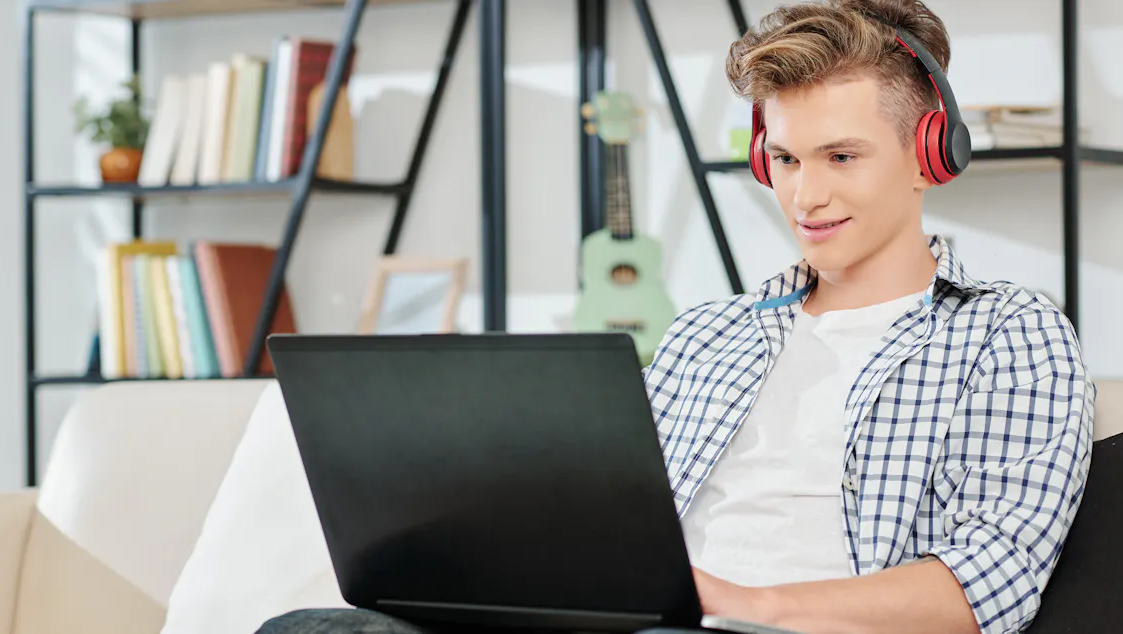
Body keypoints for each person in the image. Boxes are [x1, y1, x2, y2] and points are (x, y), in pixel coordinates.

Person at [258, 1, 1095, 633]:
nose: (805, 195)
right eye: (784, 158)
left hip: (774, 626)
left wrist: (746, 602)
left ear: (929, 155)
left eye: (841, 156)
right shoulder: (706, 333)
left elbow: (988, 583)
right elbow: (613, 527)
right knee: (315, 630)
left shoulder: (1009, 335)